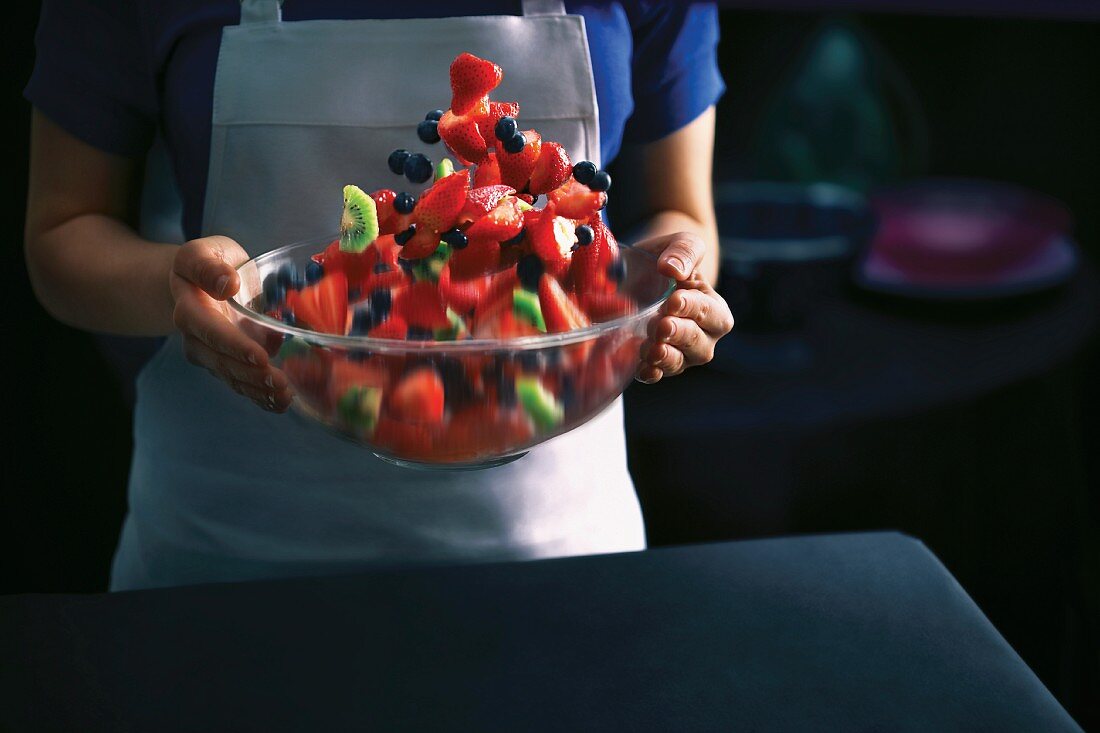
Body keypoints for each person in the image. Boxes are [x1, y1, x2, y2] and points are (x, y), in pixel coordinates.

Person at [23, 0, 734, 590]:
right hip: (228, 551)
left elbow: (683, 216)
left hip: (557, 550)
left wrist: (675, 280)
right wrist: (179, 288)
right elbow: (61, 236)